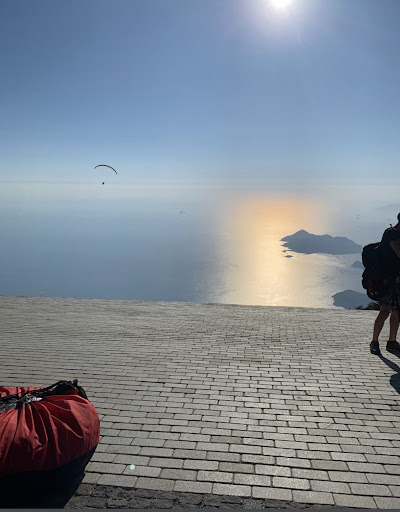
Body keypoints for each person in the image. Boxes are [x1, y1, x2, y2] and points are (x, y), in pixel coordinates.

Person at [370, 213, 400, 355]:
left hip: (398, 279)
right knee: (384, 311)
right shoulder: (391, 234)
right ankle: (374, 341)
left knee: (397, 312)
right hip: (388, 280)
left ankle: (392, 341)